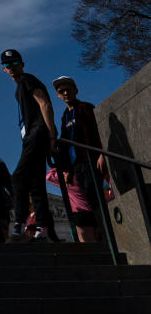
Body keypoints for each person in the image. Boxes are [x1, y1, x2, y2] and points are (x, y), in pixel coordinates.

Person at [0, 49, 60, 241]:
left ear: (22, 64)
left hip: (38, 133)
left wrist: (51, 135)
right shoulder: (19, 88)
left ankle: (20, 221)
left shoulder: (27, 79)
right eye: (8, 65)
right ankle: (45, 229)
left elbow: (45, 104)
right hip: (30, 137)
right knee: (36, 185)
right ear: (4, 69)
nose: (12, 68)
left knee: (18, 177)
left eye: (15, 63)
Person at [52, 76, 106, 242]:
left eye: (69, 89)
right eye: (62, 91)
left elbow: (99, 130)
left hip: (91, 158)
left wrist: (102, 154)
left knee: (94, 194)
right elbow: (65, 144)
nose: (66, 93)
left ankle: (106, 232)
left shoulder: (85, 108)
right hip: (77, 165)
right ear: (58, 95)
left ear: (76, 91)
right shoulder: (64, 116)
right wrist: (67, 169)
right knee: (88, 197)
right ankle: (100, 233)